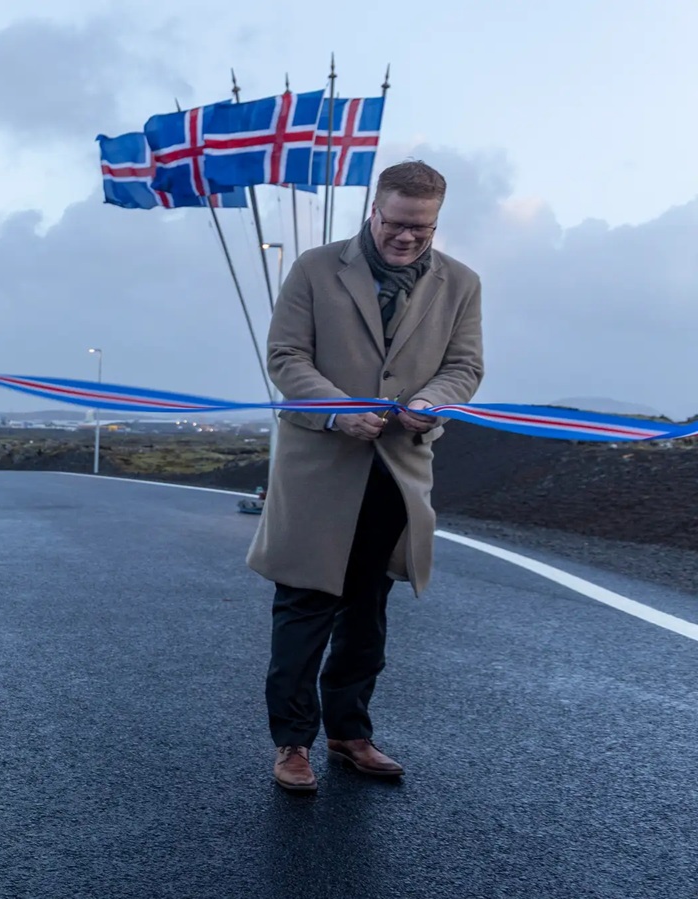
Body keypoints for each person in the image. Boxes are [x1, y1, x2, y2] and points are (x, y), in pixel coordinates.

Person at [247, 161, 484, 792]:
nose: (407, 237)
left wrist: (431, 401)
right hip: (319, 471)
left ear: (436, 221)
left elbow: (464, 367)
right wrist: (338, 411)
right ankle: (292, 743)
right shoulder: (314, 268)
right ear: (373, 211)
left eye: (421, 228)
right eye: (396, 223)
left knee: (368, 612)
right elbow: (285, 356)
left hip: (397, 474)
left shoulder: (462, 283)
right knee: (305, 608)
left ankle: (349, 734)